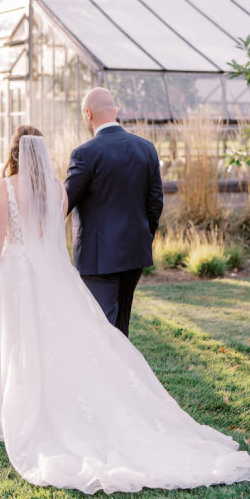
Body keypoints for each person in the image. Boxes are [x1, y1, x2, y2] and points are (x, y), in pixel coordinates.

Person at [0, 124, 250, 494]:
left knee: (14, 338)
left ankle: (13, 410)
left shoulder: (5, 188)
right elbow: (51, 235)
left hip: (16, 273)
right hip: (49, 275)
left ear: (13, 151)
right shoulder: (54, 189)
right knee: (50, 341)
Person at [65, 88, 163, 336]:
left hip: (99, 260)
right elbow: (155, 204)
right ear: (115, 111)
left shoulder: (84, 154)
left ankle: (109, 375)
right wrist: (142, 237)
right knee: (120, 328)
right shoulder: (147, 148)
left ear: (88, 114)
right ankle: (125, 375)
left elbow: (63, 205)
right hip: (134, 255)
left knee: (101, 331)